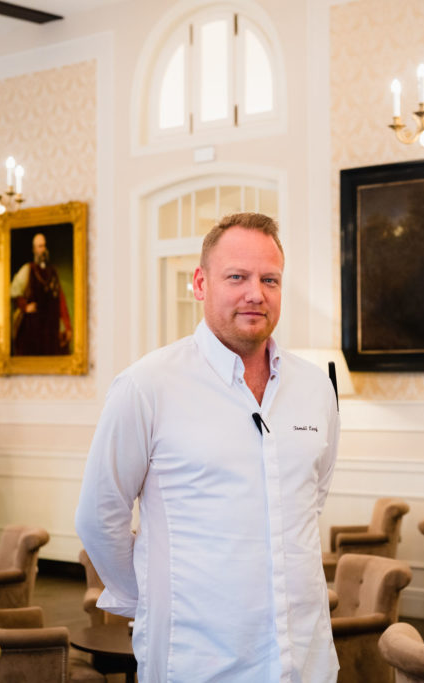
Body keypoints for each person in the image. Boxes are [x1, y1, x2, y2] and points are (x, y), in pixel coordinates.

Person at [75, 212, 340, 682]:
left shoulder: (316, 388)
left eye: (270, 280)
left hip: (305, 658)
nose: (255, 293)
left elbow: (308, 501)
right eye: (237, 277)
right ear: (200, 283)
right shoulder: (146, 386)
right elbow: (99, 515)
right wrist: (154, 597)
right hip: (195, 660)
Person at [9, 232, 72, 356]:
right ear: (34, 250)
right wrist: (25, 306)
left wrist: (67, 326)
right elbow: (14, 291)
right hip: (33, 327)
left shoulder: (53, 272)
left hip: (50, 328)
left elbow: (60, 299)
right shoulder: (28, 269)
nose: (42, 250)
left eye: (44, 246)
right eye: (39, 246)